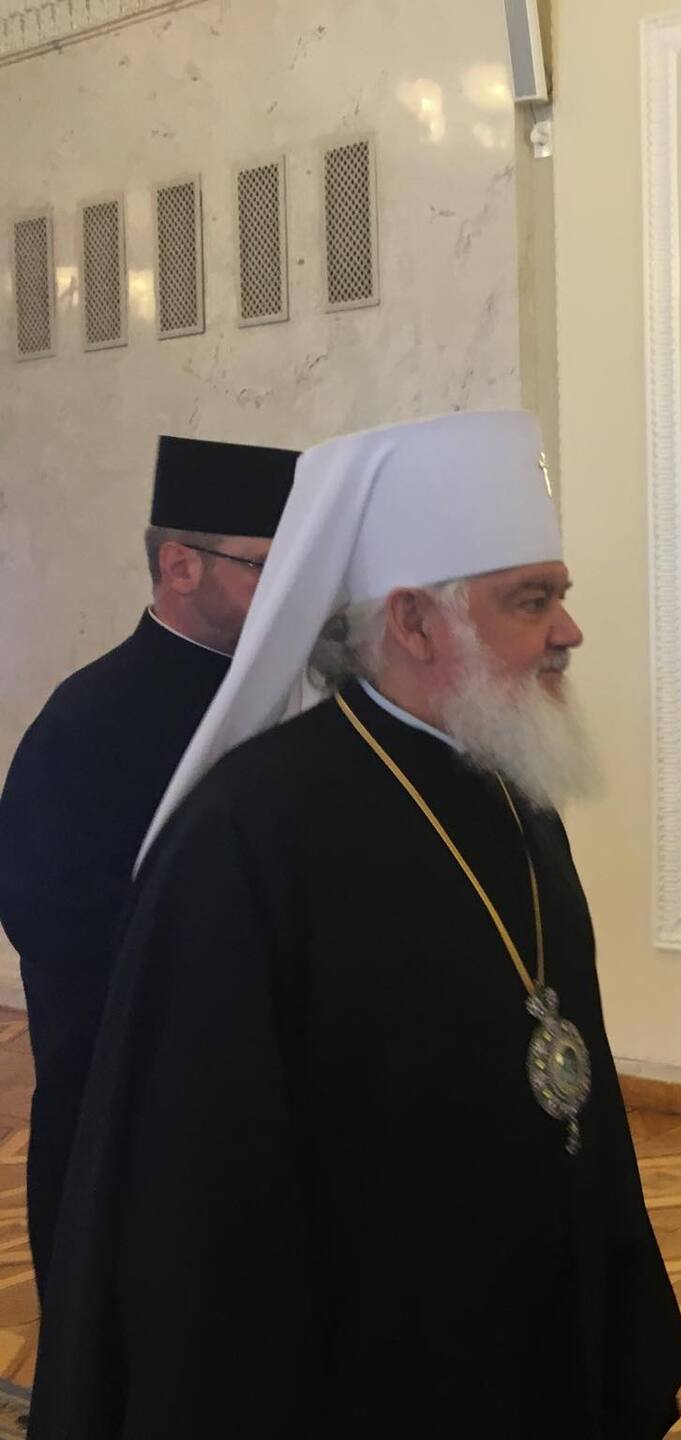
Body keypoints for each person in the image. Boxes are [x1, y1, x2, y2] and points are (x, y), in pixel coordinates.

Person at [30, 411, 681, 1438]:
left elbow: (567, 1060)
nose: (568, 630)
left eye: (558, 596)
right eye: (533, 600)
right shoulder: (245, 835)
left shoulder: (517, 795)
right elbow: (206, 1202)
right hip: (367, 1366)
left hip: (532, 1322)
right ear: (415, 623)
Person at [0, 435, 297, 1298]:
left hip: (262, 1094)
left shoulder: (289, 697)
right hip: (128, 1095)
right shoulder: (88, 719)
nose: (288, 589)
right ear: (179, 566)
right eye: (263, 567)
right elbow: (48, 915)